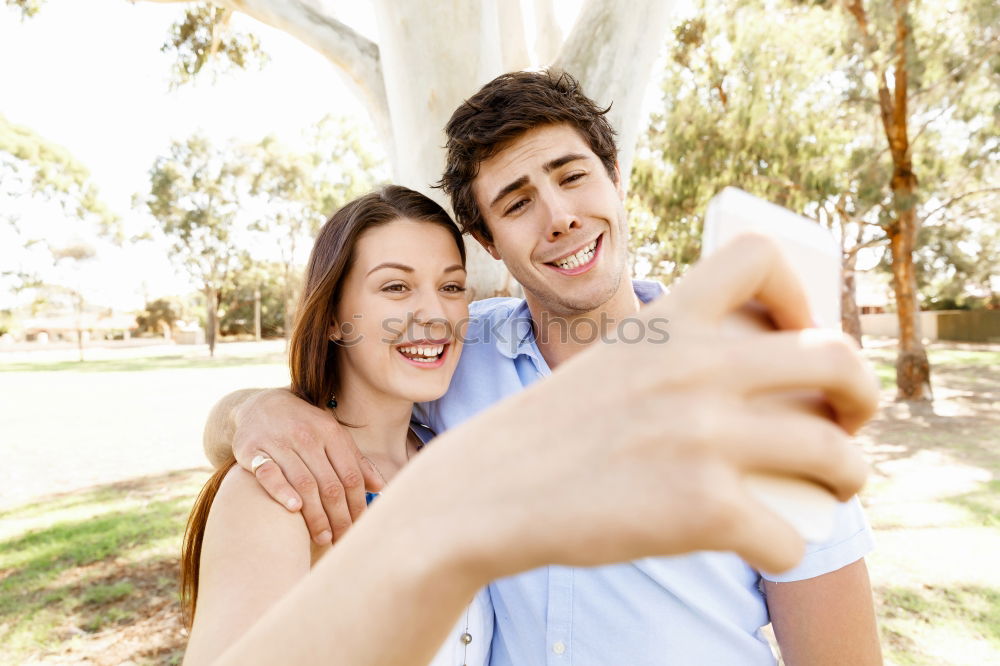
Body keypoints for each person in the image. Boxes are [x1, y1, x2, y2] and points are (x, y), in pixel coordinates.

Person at [202, 70, 882, 664]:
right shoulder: (454, 359)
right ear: (486, 240)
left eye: (572, 176)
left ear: (616, 178)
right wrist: (251, 411)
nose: (558, 217)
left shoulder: (758, 382)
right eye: (517, 203)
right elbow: (344, 392)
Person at [181, 186, 494, 666]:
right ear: (331, 318)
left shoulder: (448, 455)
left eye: (451, 287)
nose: (435, 315)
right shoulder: (283, 486)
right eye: (396, 287)